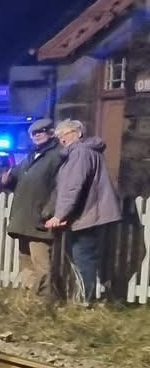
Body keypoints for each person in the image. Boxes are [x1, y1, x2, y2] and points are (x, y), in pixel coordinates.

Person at [44, 118, 122, 303]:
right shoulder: (88, 151)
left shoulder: (79, 152)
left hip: (88, 216)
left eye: (65, 134)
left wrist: (59, 215)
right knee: (90, 257)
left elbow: (72, 187)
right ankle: (99, 296)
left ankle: (85, 300)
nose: (62, 139)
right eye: (59, 136)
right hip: (93, 214)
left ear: (78, 133)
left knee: (82, 258)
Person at [0, 117, 66, 300]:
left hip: (39, 219)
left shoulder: (57, 156)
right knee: (26, 261)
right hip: (23, 219)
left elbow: (60, 188)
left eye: (41, 132)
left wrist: (49, 211)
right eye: (33, 133)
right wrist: (7, 180)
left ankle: (45, 302)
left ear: (50, 133)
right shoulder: (30, 157)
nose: (36, 136)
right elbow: (17, 179)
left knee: (42, 264)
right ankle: (32, 297)